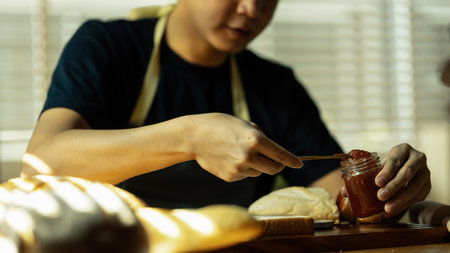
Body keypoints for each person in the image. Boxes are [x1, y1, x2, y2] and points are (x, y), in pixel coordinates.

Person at [22, 0, 430, 218]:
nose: (253, 9)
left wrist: (385, 186)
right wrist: (190, 137)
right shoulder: (106, 47)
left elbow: (329, 188)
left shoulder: (274, 84)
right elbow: (43, 162)